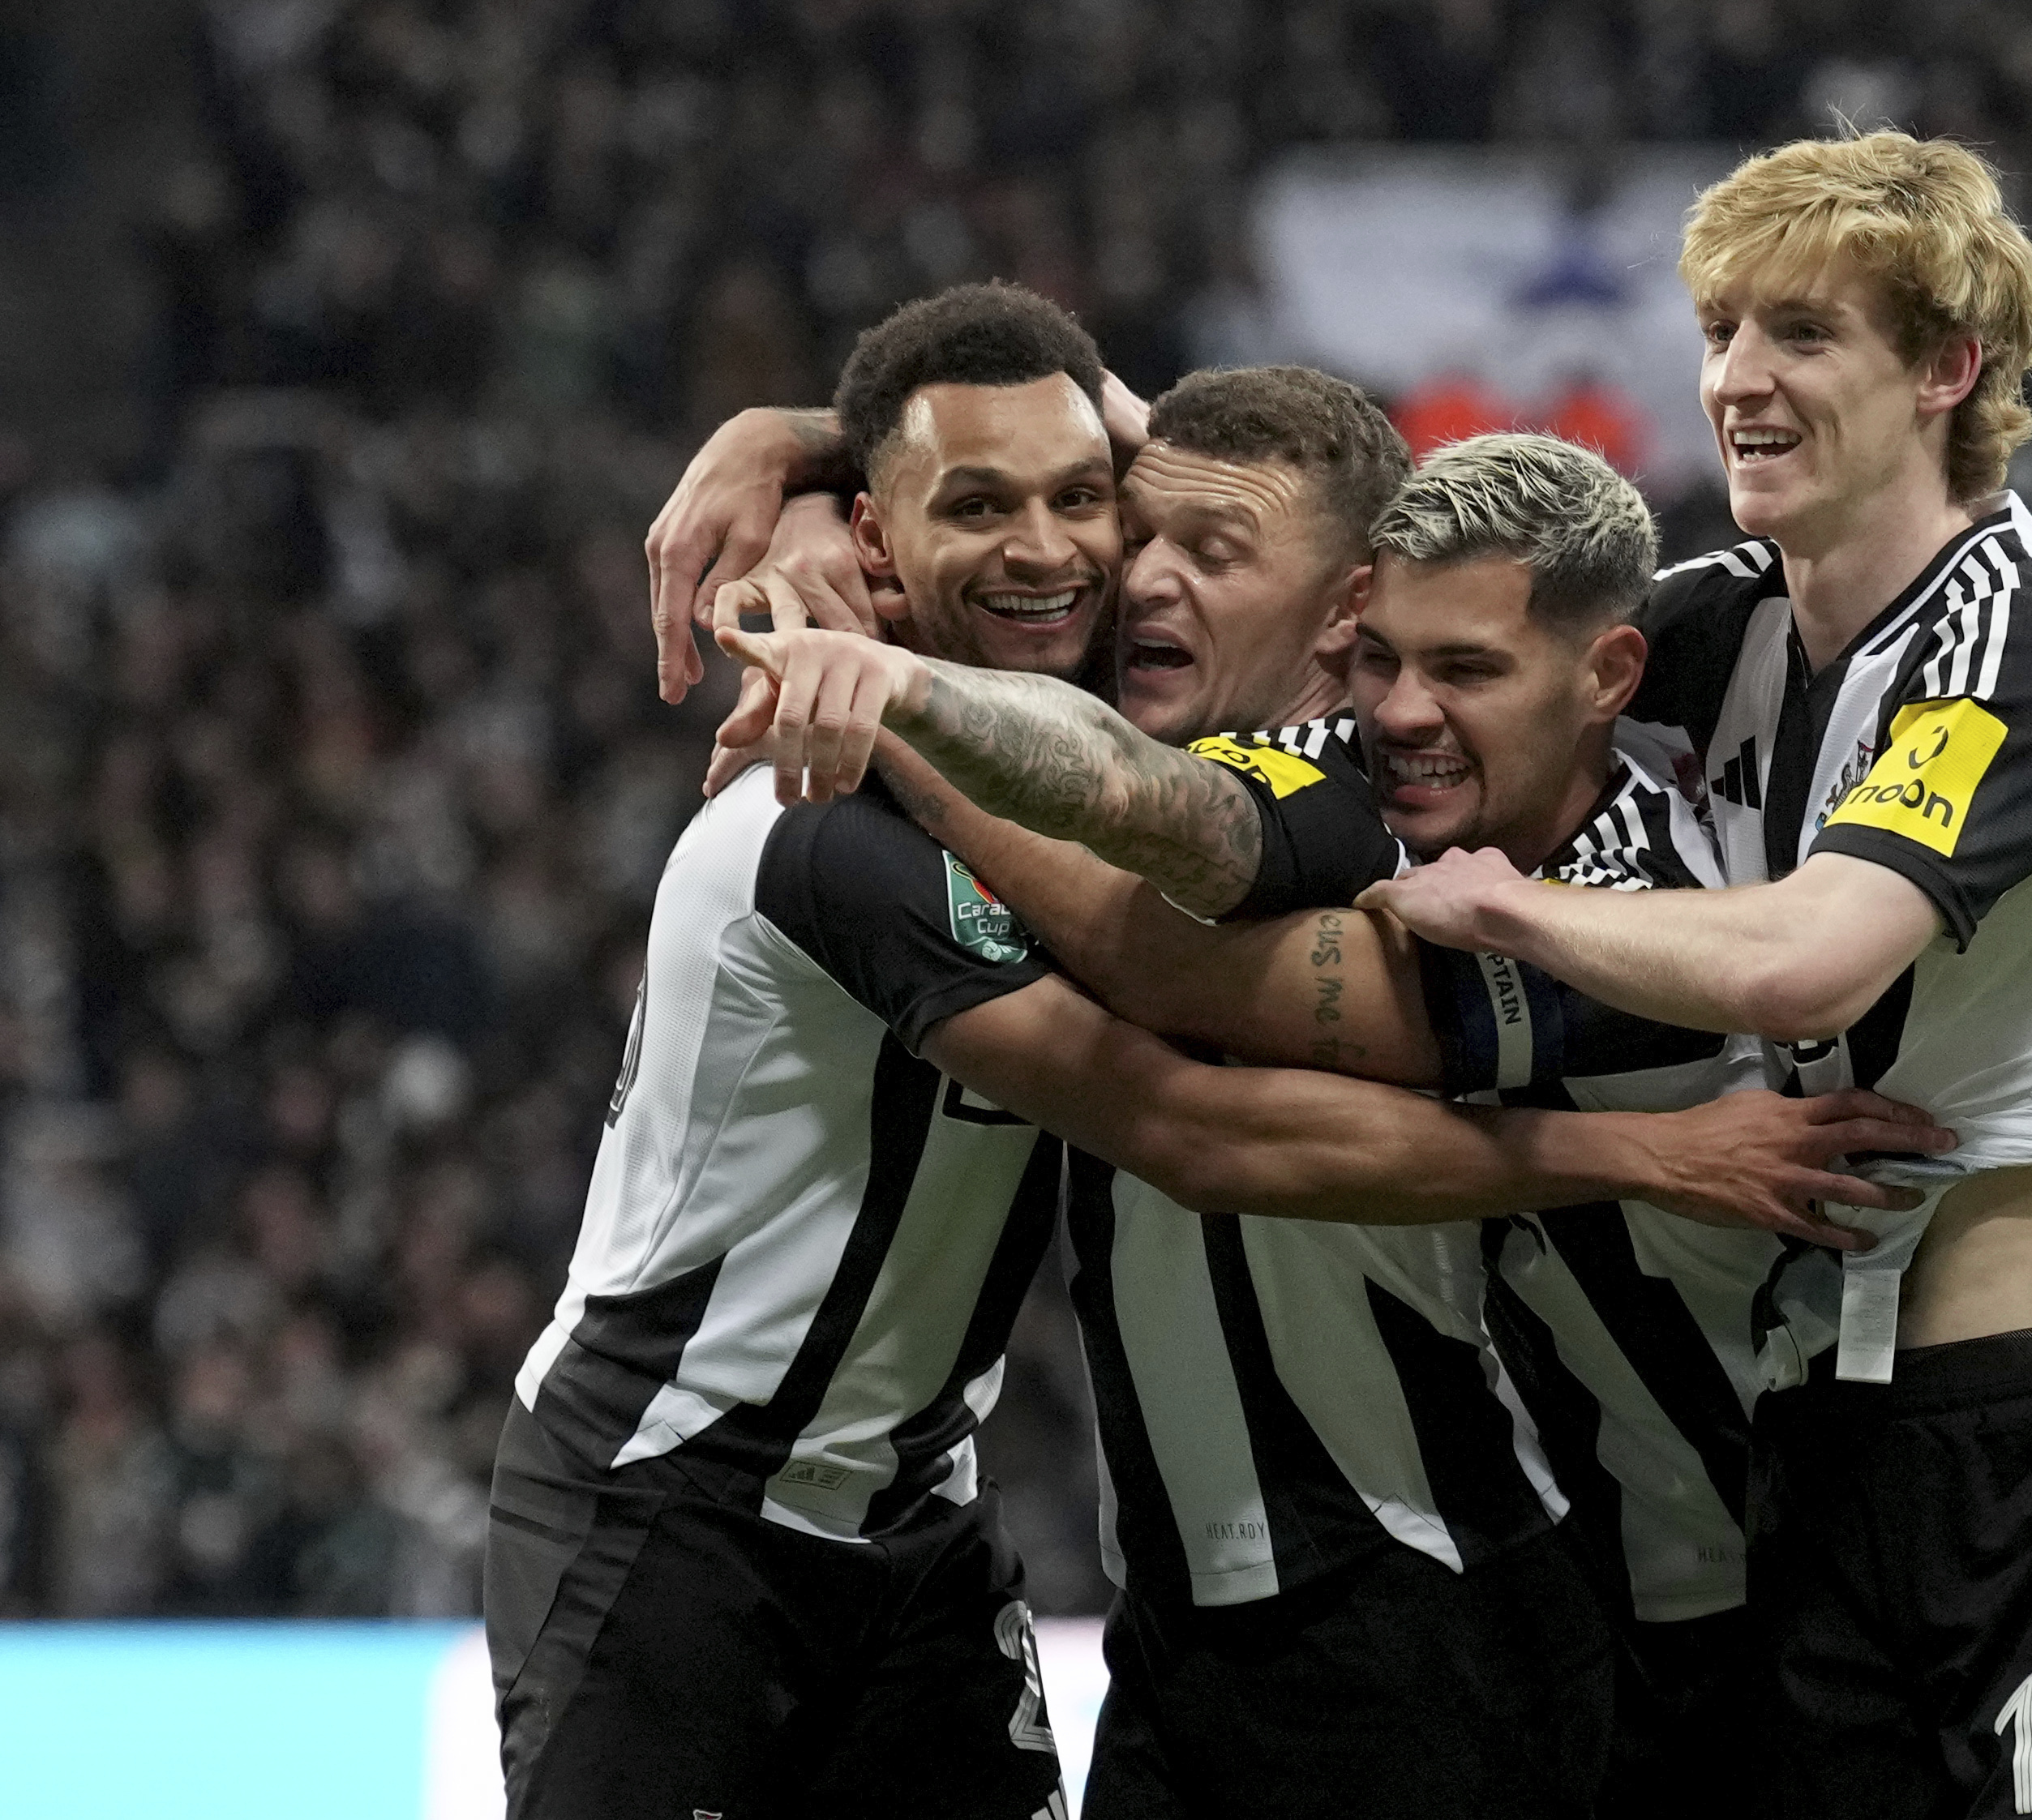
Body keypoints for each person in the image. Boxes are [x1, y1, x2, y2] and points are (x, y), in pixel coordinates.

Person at [495, 285, 1867, 1820]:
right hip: (715, 1504)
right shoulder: (914, 775)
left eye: (1201, 556)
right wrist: (803, 457)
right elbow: (1054, 432)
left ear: (1347, 604)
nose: (1122, 571)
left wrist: (893, 686)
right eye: (1130, 536)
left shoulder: (1365, 798)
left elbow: (1184, 1012)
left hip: (1409, 1592)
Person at [1359, 132, 2032, 1819]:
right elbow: (1471, 630)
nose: (1736, 380)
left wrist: (1514, 912)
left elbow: (1807, 961)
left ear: (1947, 368)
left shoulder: (2011, 642)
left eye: (1801, 333)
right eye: (1720, 331)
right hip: (1825, 1460)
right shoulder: (1741, 624)